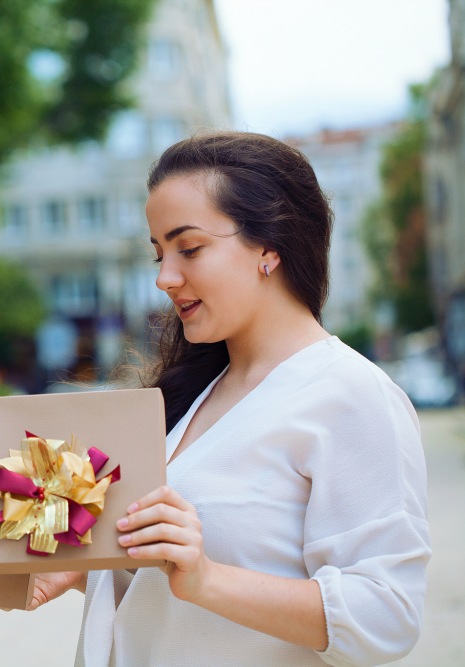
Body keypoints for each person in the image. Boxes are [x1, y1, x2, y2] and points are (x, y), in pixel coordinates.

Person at [28, 132, 430, 667]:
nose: (165, 278)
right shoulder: (189, 396)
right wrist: (87, 566)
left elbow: (387, 617)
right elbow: (170, 600)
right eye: (159, 253)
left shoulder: (353, 396)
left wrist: (207, 579)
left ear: (270, 247)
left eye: (188, 248)